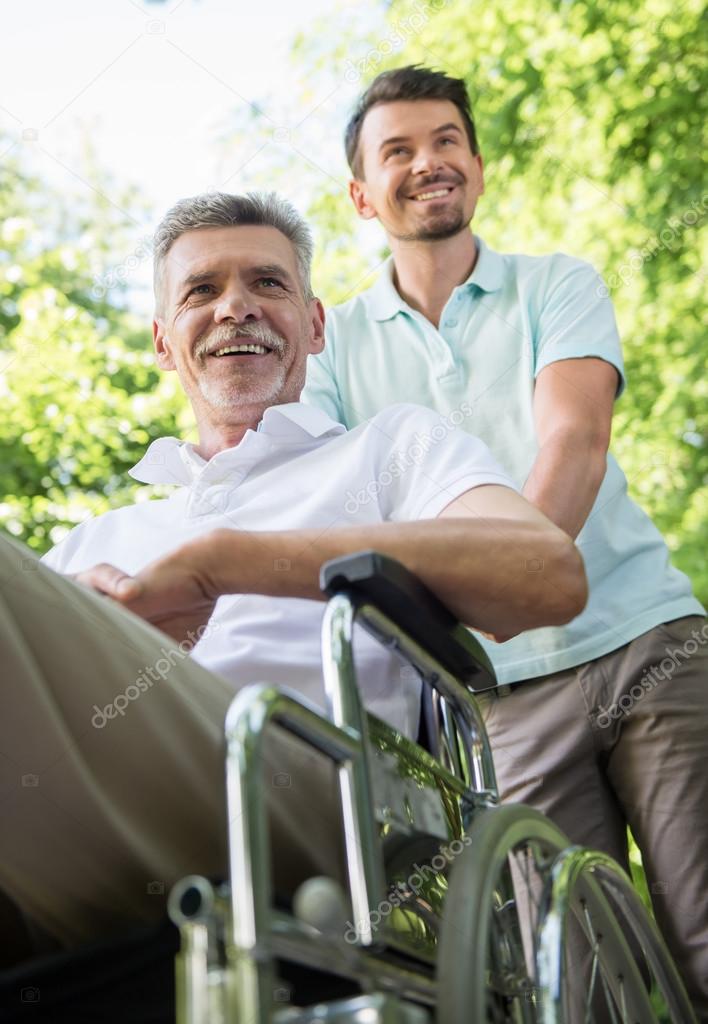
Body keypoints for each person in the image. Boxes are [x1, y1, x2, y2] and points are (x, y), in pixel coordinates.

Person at [0, 191, 586, 955]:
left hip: (304, 792)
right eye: (201, 291)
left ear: (314, 327)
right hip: (64, 809)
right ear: (162, 341)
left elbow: (547, 571)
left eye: (267, 284)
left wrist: (222, 564)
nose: (235, 307)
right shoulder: (97, 538)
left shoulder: (388, 449)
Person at [300, 65, 708, 1008]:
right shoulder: (334, 349)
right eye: (397, 149)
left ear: (477, 167)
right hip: (499, 700)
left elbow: (575, 439)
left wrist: (509, 579)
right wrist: (491, 612)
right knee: (582, 981)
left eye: (446, 140)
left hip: (647, 641)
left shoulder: (556, 284)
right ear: (362, 194)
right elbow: (334, 504)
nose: (428, 161)